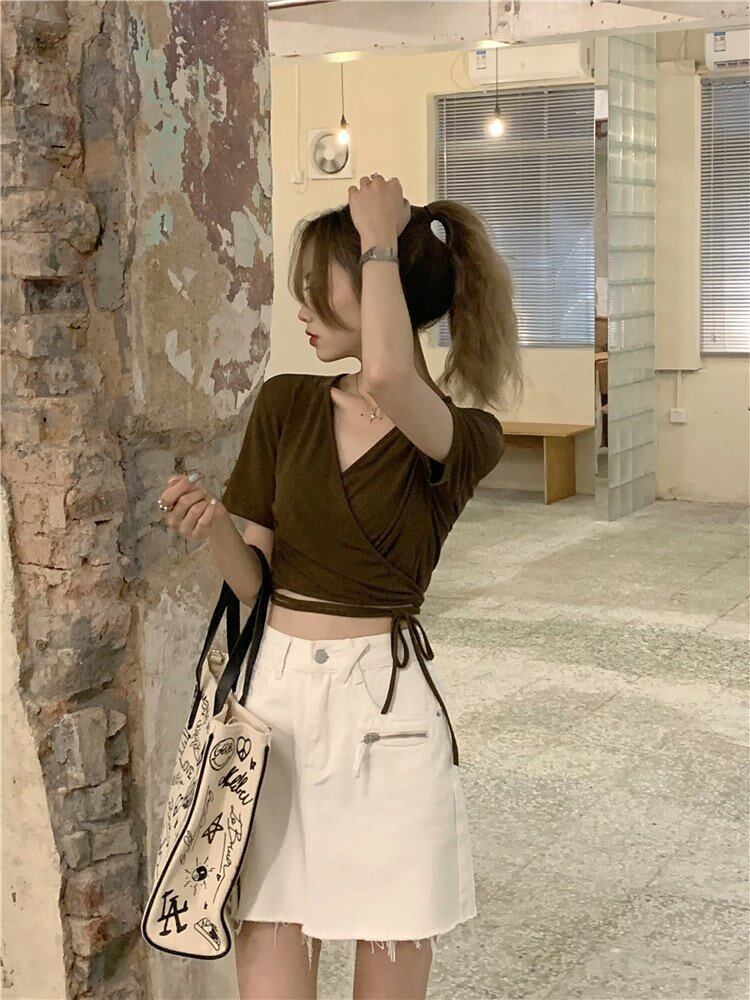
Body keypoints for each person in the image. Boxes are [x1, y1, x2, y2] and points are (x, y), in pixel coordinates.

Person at [157, 175, 522, 1000]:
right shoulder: (286, 405)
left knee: (390, 941)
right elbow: (252, 586)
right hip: (275, 704)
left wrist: (379, 236)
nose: (302, 310)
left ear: (381, 281)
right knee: (270, 942)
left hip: (386, 710)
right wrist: (214, 527)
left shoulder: (464, 436)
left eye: (318, 288)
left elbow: (391, 377)